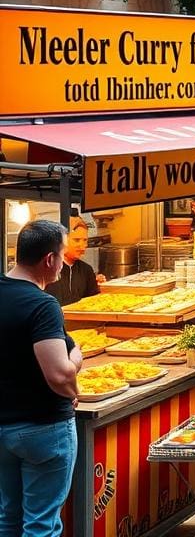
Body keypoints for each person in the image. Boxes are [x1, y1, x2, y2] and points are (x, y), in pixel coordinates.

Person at [0, 219, 81, 537]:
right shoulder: (43, 304)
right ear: (50, 259)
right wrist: (76, 363)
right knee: (40, 524)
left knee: (8, 517)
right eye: (62, 255)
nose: (63, 263)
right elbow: (59, 372)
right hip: (42, 428)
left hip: (2, 426)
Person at [45, 216, 104, 306]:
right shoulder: (46, 267)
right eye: (77, 240)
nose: (83, 245)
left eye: (85, 240)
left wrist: (100, 287)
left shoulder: (86, 270)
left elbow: (93, 303)